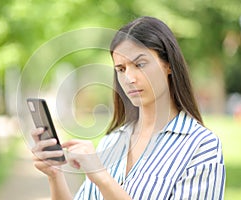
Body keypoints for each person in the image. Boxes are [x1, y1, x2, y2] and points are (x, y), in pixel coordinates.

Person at [31, 16, 225, 199]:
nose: (129, 79)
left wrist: (102, 177)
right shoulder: (111, 142)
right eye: (121, 69)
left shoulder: (202, 146)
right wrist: (54, 175)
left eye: (140, 64)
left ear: (168, 65)